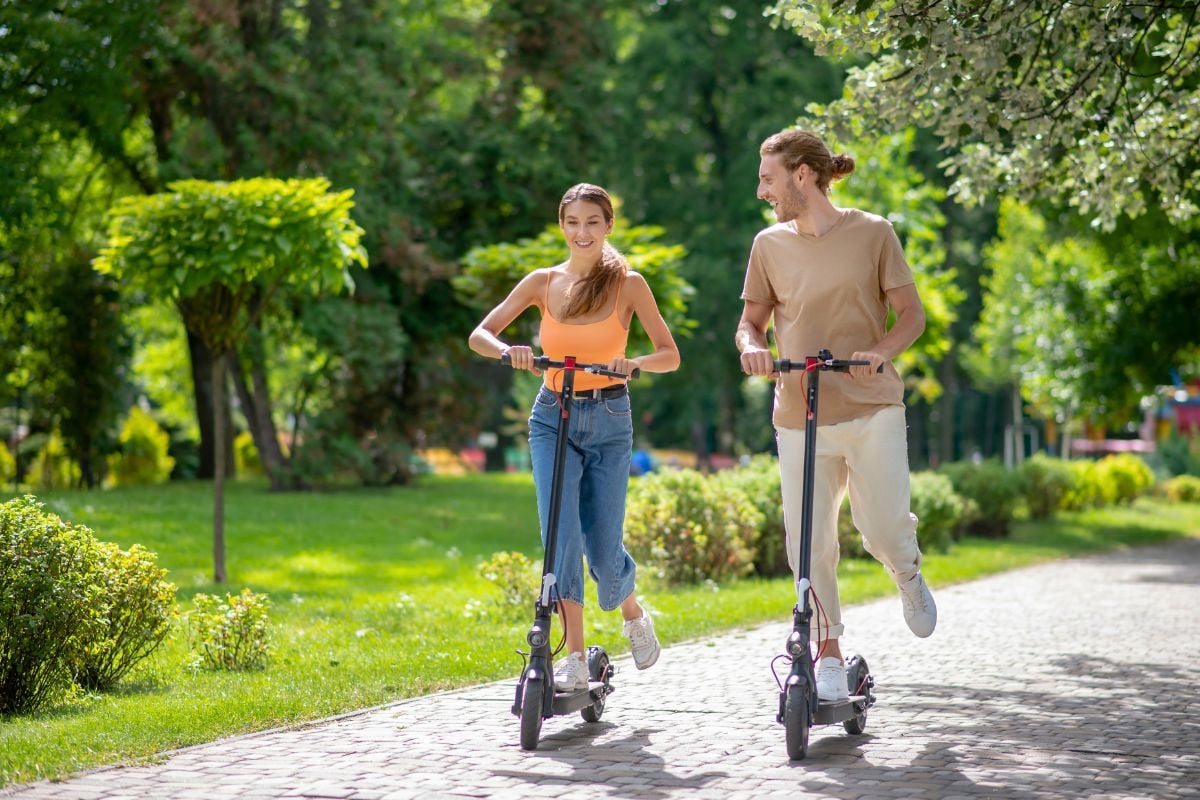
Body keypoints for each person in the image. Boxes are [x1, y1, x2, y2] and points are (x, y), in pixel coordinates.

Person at [735, 129, 937, 702]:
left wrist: (883, 353)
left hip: (871, 406)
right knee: (809, 542)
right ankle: (827, 652)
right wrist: (751, 346)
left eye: (768, 178)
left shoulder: (873, 233)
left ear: (803, 174)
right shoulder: (768, 244)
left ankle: (907, 571)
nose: (761, 190)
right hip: (799, 410)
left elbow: (910, 316)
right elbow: (750, 321)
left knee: (882, 528)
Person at [469, 183, 681, 690]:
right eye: (573, 222)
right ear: (561, 226)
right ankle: (577, 658)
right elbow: (481, 334)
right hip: (552, 417)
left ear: (608, 225)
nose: (582, 232)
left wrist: (634, 363)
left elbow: (669, 354)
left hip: (609, 419)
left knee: (604, 553)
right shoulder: (543, 282)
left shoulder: (629, 284)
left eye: (592, 222)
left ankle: (632, 612)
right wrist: (508, 351)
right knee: (559, 537)